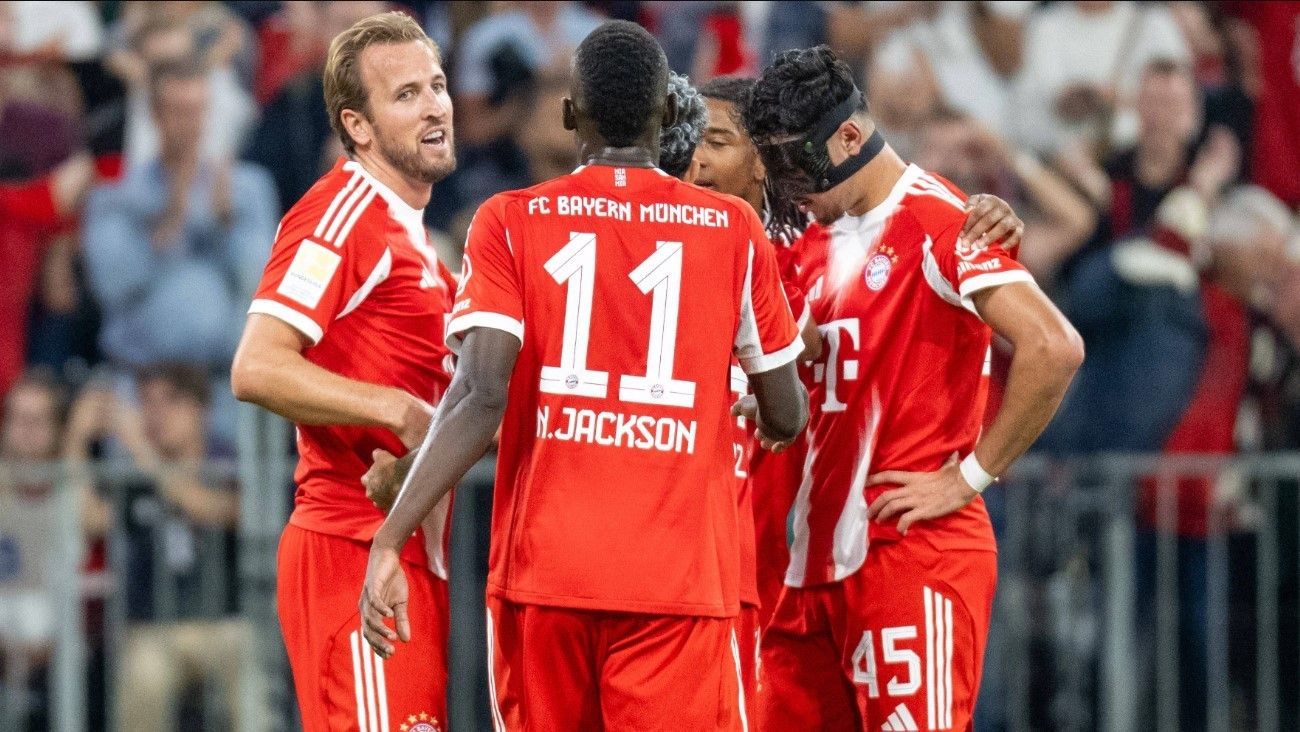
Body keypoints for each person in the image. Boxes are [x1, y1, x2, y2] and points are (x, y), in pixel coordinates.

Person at [358, 20, 807, 730]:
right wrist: (770, 415)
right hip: (679, 582)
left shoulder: (509, 220)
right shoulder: (731, 229)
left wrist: (391, 536)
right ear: (669, 113)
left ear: (571, 115)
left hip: (544, 577)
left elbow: (478, 394)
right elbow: (786, 411)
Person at [744, 46, 1083, 730]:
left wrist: (970, 476)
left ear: (848, 136)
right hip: (814, 570)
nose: (787, 185)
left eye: (795, 163)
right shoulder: (814, 238)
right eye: (773, 166)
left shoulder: (941, 222)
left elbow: (1054, 346)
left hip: (909, 553)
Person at [229, 12, 458, 730]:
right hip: (350, 548)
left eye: (438, 85)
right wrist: (399, 411)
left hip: (402, 552)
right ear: (357, 126)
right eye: (406, 95)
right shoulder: (344, 210)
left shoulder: (416, 240)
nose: (434, 107)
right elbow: (257, 365)